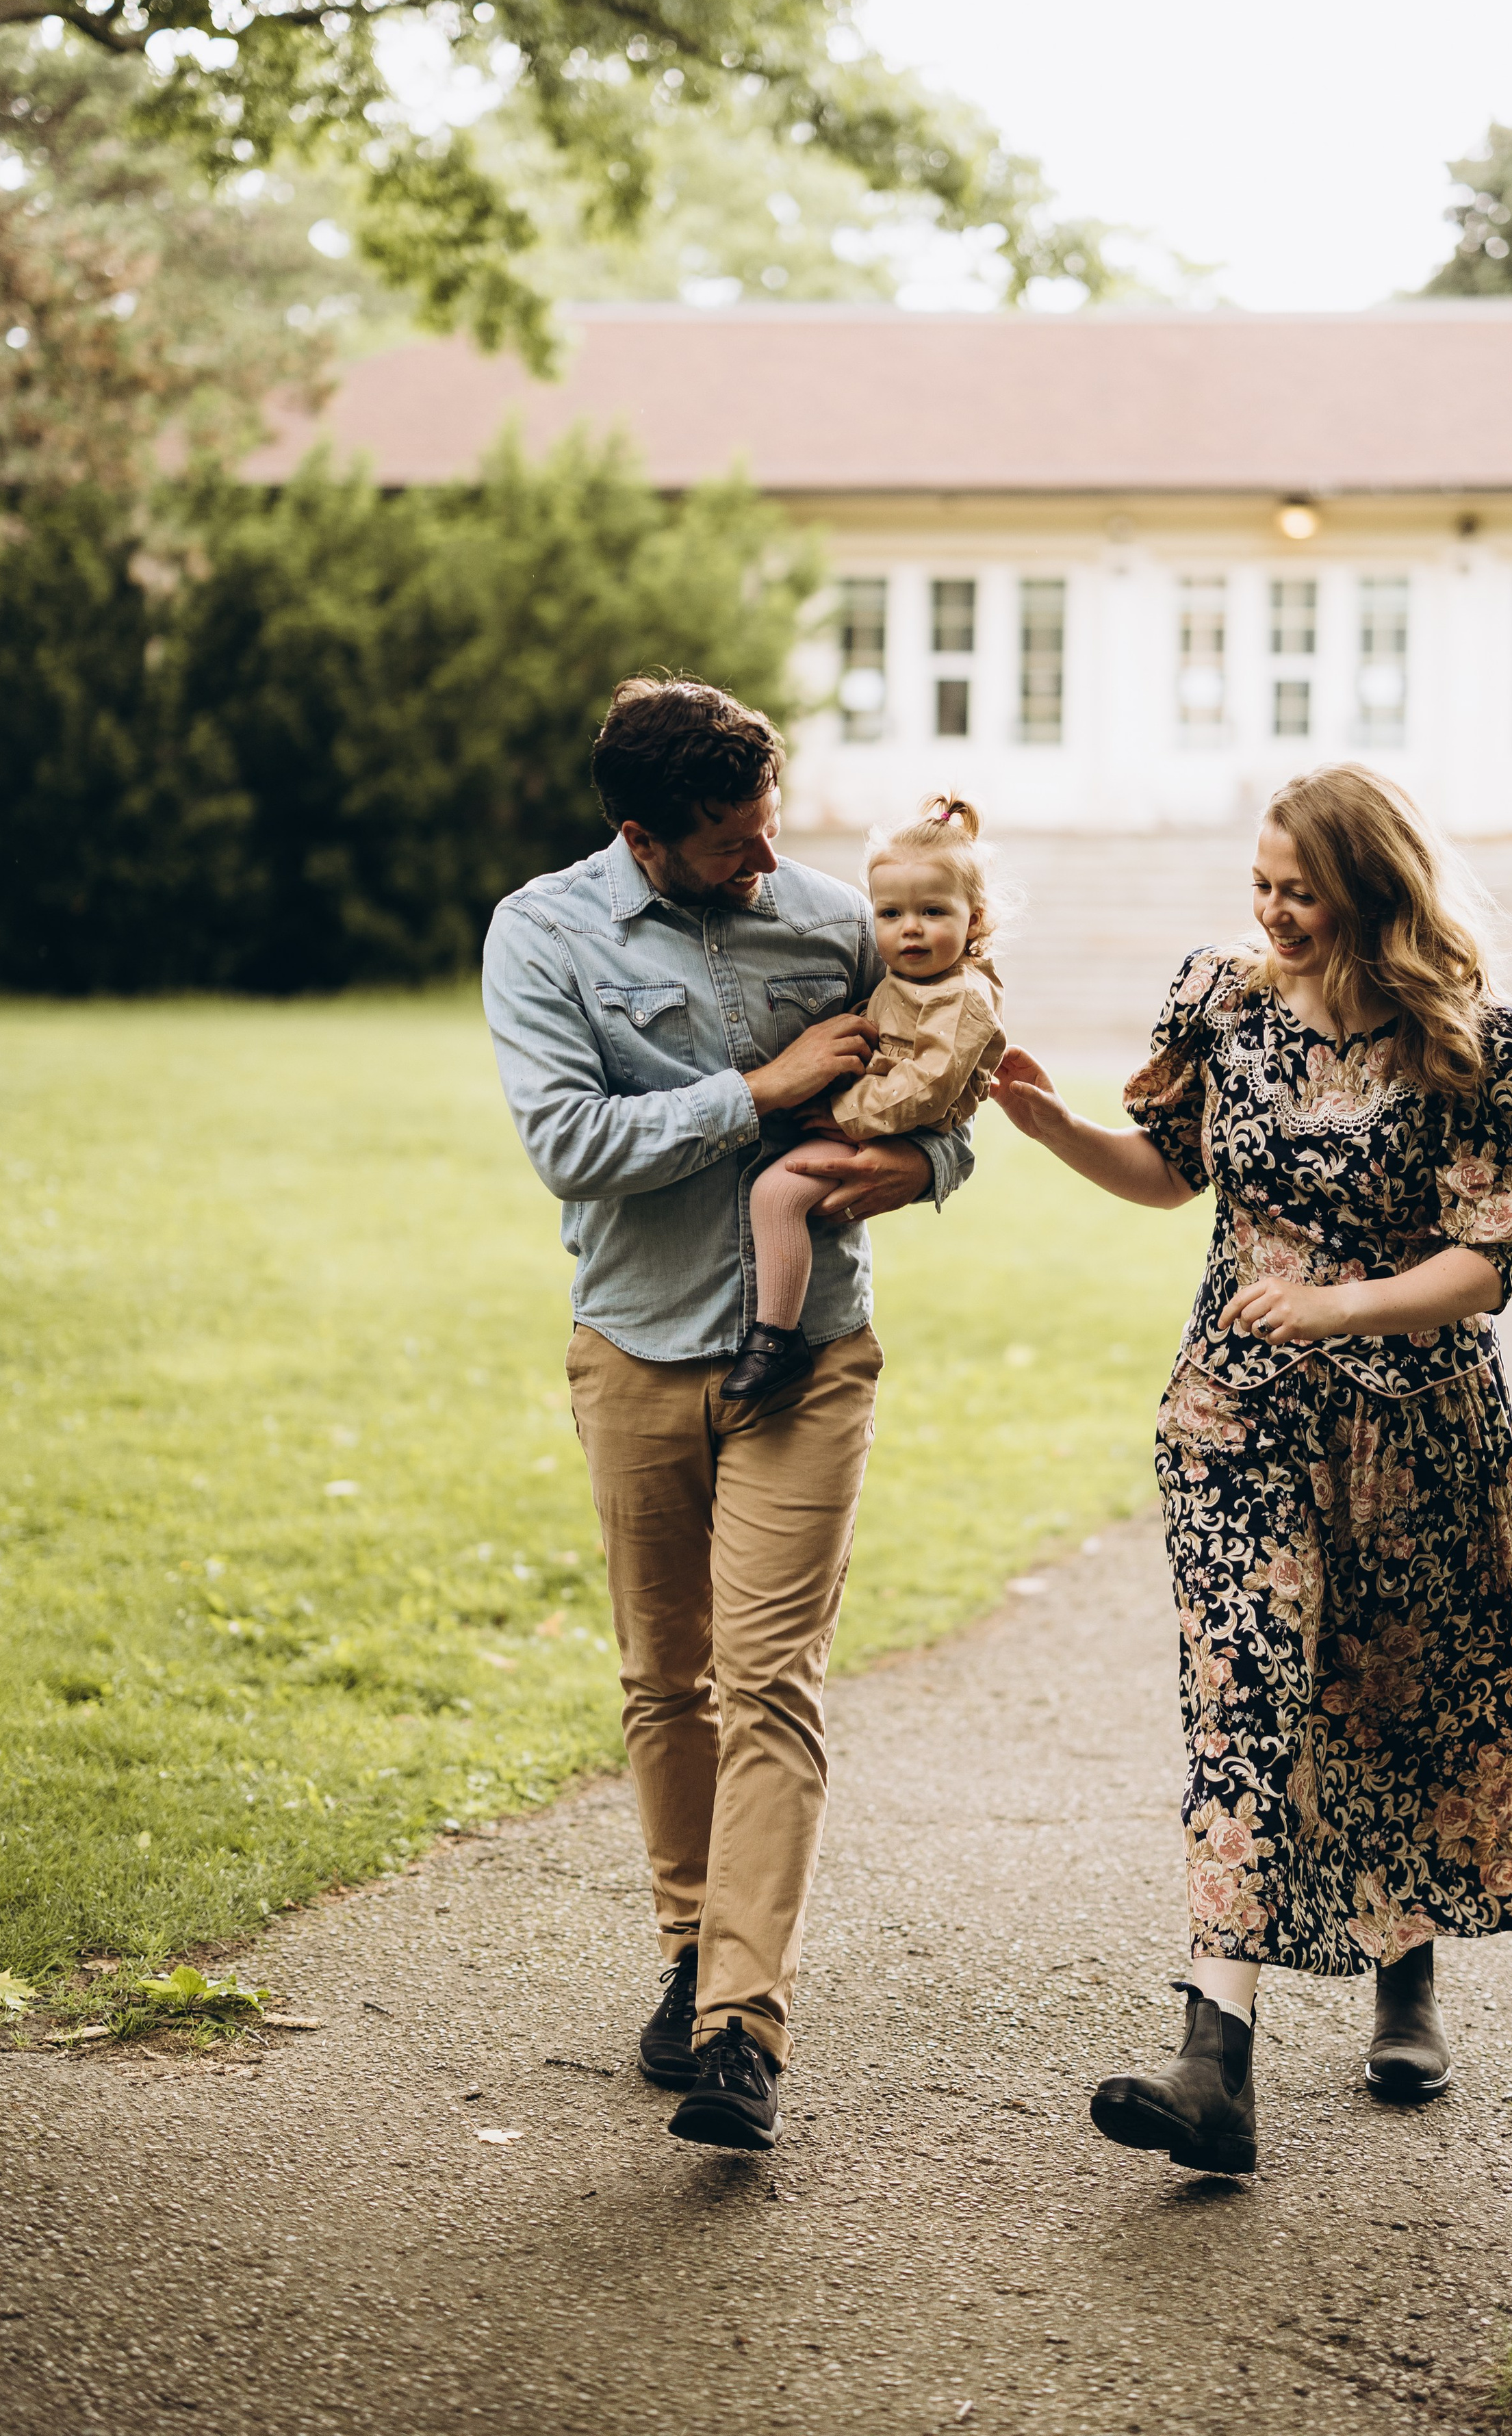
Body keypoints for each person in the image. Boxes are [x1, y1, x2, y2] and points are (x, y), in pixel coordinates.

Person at [991, 762, 1512, 2177]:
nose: (1270, 913)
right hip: (1234, 1417)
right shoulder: (1222, 1003)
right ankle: (1214, 2065)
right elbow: (1168, 1168)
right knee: (1240, 1704)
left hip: (1406, 1426)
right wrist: (1057, 1129)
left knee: (1384, 1696)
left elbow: (1480, 1268)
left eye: (1298, 892)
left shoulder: (1466, 1041)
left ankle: (1406, 1976)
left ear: (1369, 892)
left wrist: (1338, 1304)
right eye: (1259, 885)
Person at [482, 677, 974, 2153]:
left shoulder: (833, 919)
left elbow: (941, 1097)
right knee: (664, 1682)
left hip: (809, 1353)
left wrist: (925, 1171)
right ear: (644, 833)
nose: (765, 860)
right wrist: (755, 1090)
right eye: (732, 844)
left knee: (769, 1683)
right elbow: (569, 1144)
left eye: (769, 826)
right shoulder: (542, 935)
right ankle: (689, 1948)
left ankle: (740, 2030)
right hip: (632, 1350)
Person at [723, 793, 1006, 1405]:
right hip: (868, 1117)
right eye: (890, 913)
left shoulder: (963, 998)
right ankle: (773, 1331)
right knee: (776, 1189)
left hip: (886, 1129)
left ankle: (777, 1338)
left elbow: (928, 1087)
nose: (910, 929)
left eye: (933, 911)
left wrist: (840, 1113)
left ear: (975, 920)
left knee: (776, 1193)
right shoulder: (911, 980)